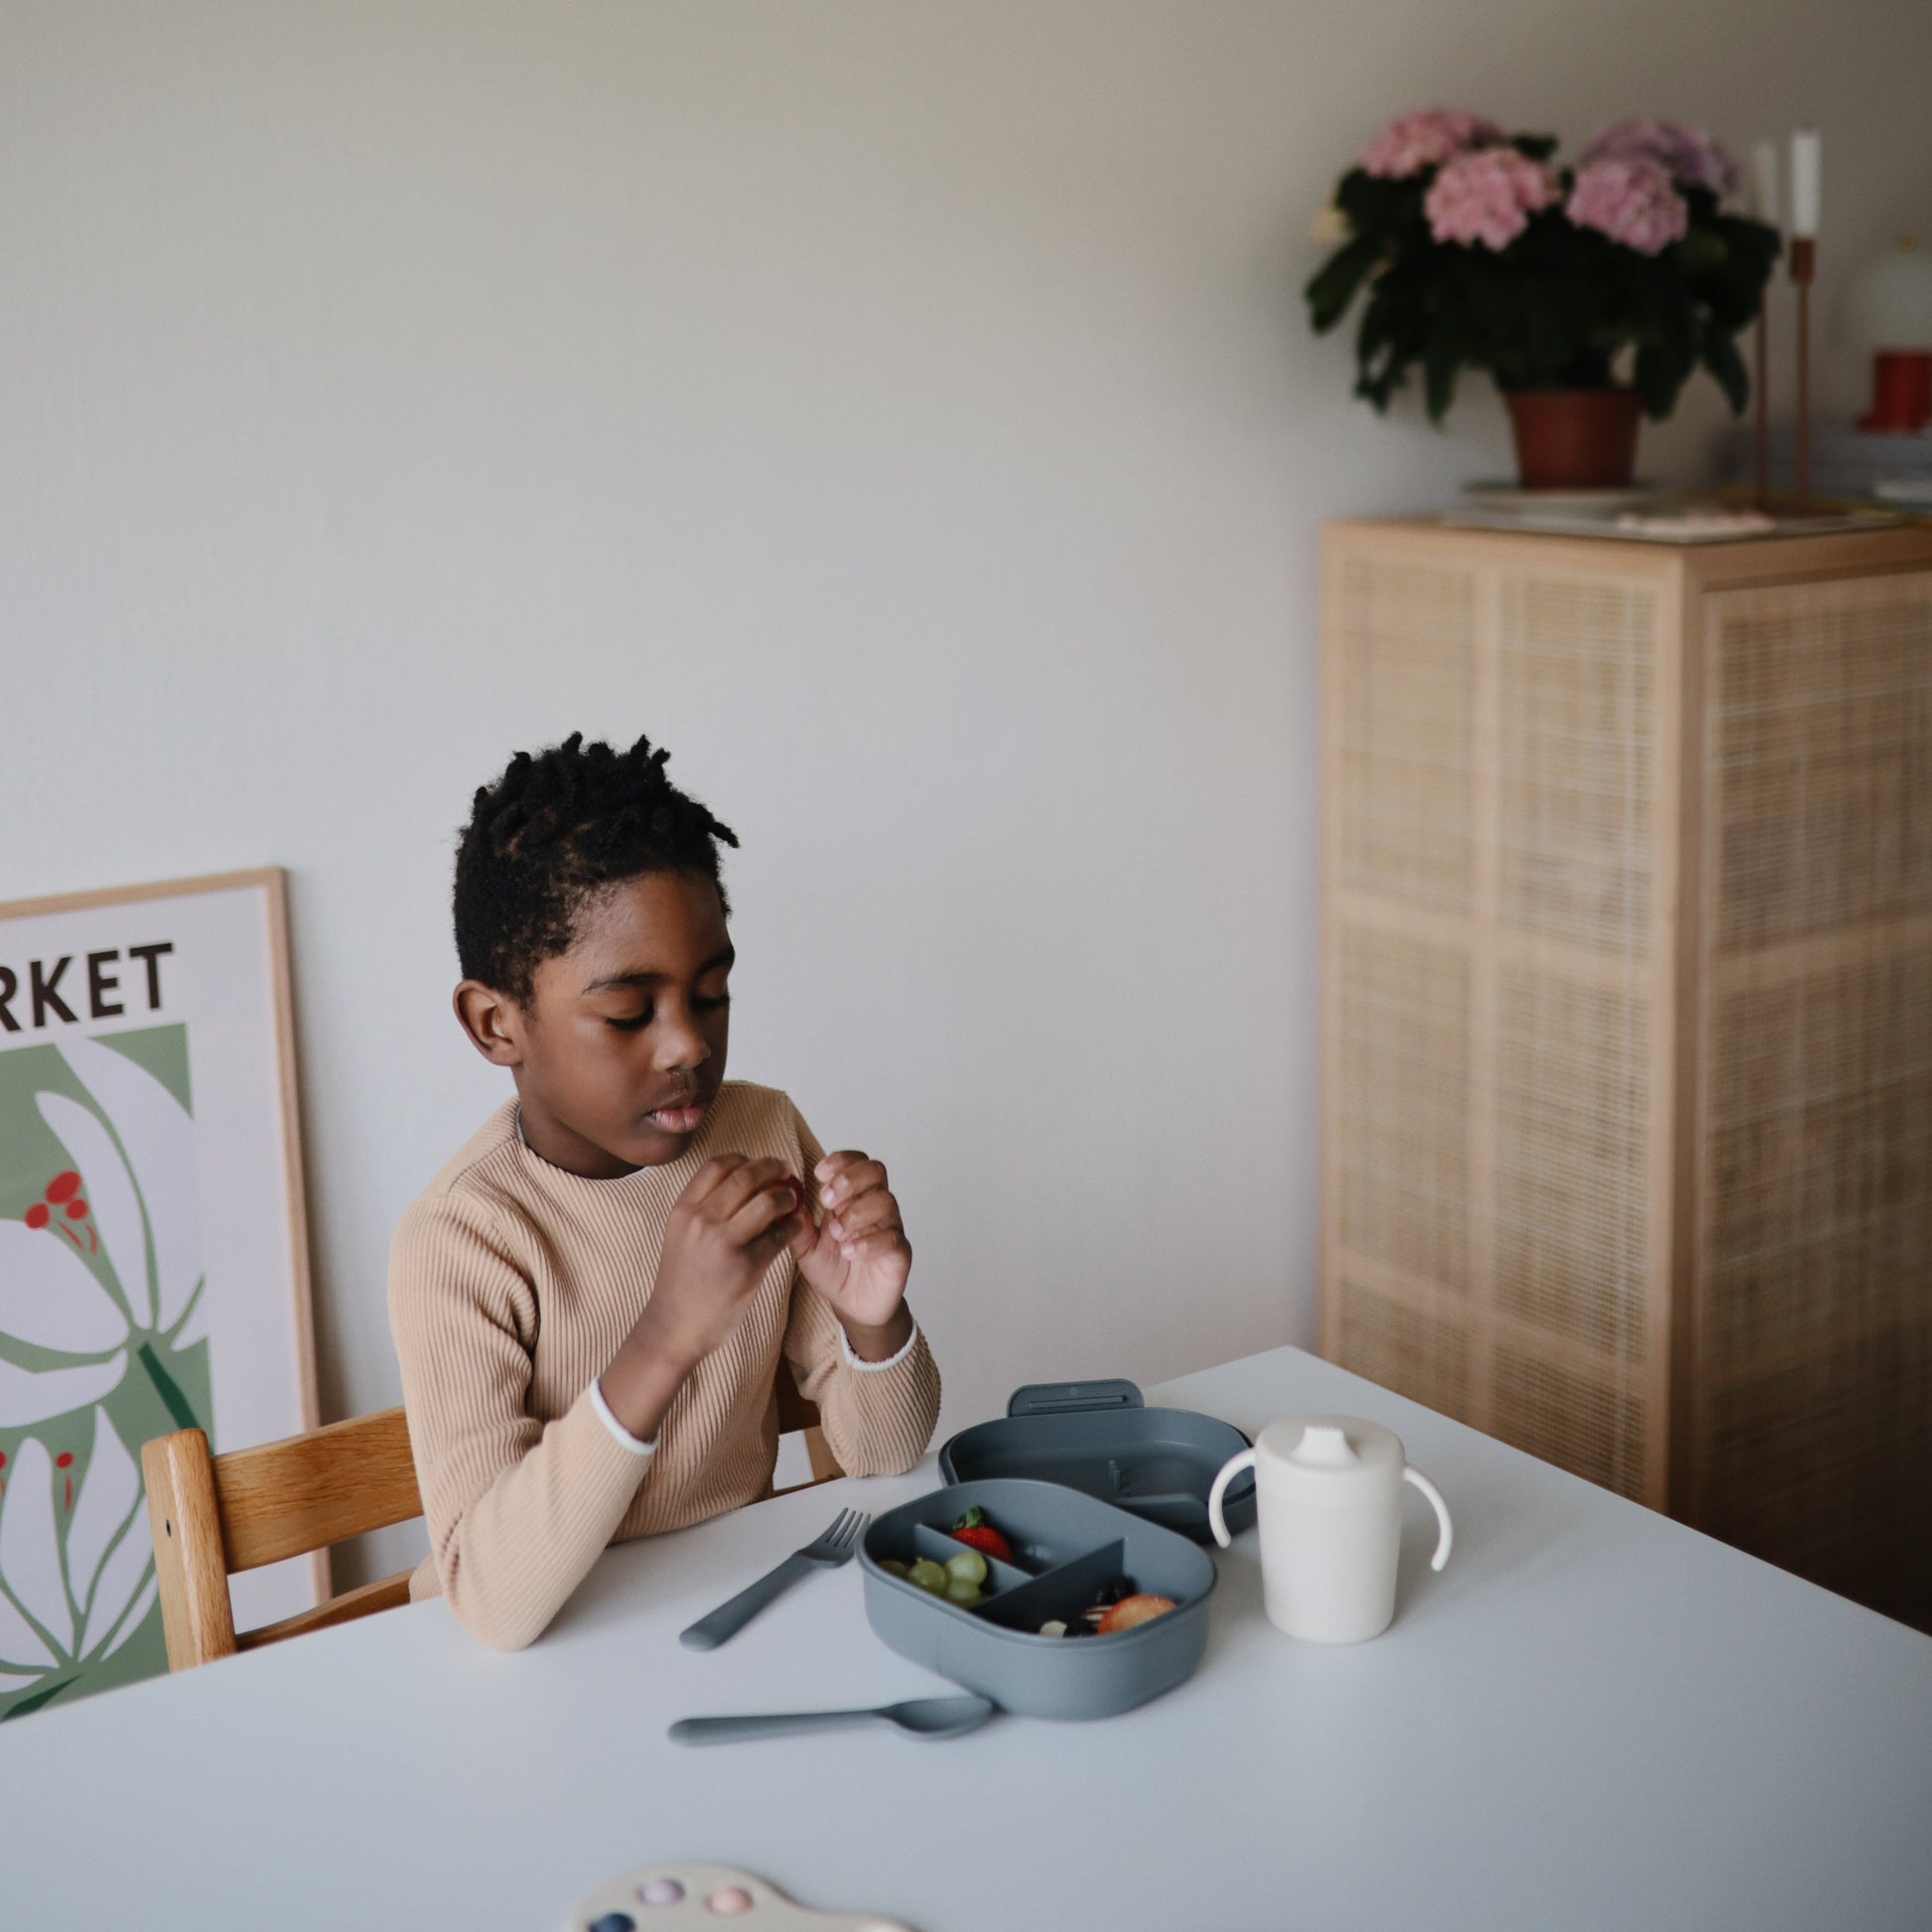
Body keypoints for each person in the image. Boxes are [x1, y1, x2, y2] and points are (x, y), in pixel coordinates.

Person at [388, 732, 941, 1649]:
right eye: (628, 1012)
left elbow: (886, 1454)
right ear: (495, 1023)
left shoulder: (762, 1133)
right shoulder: (463, 1238)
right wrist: (669, 1332)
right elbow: (490, 1600)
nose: (688, 1043)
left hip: (727, 1618)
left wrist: (872, 1323)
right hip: (545, 1660)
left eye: (711, 995)